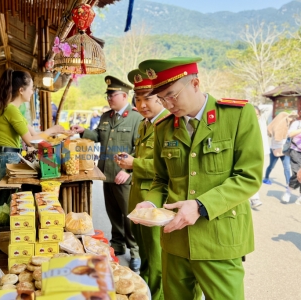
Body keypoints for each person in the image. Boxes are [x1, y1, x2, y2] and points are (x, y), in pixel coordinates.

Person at [134, 57, 263, 299]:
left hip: (219, 239)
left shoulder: (237, 115)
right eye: (161, 98)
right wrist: (150, 203)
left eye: (172, 95)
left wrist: (201, 205)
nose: (168, 104)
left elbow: (248, 177)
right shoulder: (163, 128)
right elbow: (161, 180)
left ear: (195, 83)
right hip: (175, 241)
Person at [71, 76, 143, 272]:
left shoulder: (137, 118)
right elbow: (98, 136)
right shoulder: (106, 116)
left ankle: (135, 252)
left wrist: (129, 170)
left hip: (124, 176)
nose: (109, 98)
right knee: (113, 213)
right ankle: (118, 245)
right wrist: (83, 130)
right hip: (107, 174)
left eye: (113, 95)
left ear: (124, 95)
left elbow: (141, 149)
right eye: (108, 95)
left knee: (130, 216)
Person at [115, 69, 169, 299]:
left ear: (160, 97)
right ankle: (145, 293)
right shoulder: (145, 124)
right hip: (139, 200)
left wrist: (134, 164)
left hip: (155, 204)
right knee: (146, 256)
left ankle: (155, 296)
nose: (142, 103)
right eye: (138, 98)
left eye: (148, 97)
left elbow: (166, 167)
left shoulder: (167, 124)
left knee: (156, 260)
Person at [0, 69, 64, 205]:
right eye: (31, 88)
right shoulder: (11, 110)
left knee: (8, 207)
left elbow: (35, 135)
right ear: (21, 90)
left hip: (7, 158)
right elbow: (30, 141)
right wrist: (51, 129)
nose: (32, 92)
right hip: (5, 160)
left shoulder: (12, 110)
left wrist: (56, 132)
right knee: (3, 208)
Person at [262, 111, 297, 203]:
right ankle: (266, 178)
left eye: (292, 118)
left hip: (284, 151)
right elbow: (276, 138)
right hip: (275, 150)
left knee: (286, 167)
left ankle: (288, 183)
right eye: (290, 118)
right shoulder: (277, 127)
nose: (291, 119)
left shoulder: (290, 127)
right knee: (271, 166)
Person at [248, 106, 270, 208]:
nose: (254, 116)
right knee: (249, 174)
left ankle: (253, 197)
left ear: (259, 115)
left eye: (256, 114)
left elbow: (268, 108)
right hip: (249, 153)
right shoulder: (246, 123)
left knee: (257, 175)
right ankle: (254, 198)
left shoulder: (262, 121)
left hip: (262, 152)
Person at [287, 105, 301, 207]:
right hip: (296, 151)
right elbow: (290, 134)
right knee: (298, 172)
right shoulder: (297, 123)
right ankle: (289, 190)